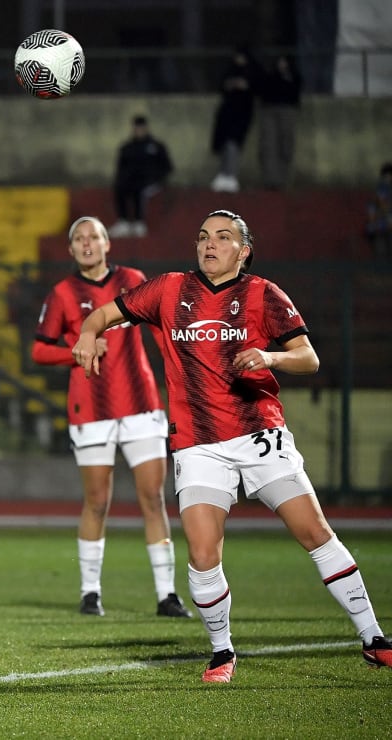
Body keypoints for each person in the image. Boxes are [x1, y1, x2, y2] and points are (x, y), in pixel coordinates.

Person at [71, 209, 392, 682]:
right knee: (203, 553)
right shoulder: (168, 289)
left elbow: (309, 358)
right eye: (203, 236)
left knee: (315, 533)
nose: (209, 244)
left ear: (243, 251)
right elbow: (103, 314)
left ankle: (374, 638)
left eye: (223, 238)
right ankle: (222, 652)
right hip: (199, 445)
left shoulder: (264, 294)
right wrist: (87, 335)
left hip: (259, 434)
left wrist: (270, 355)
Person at [32, 216, 189, 619]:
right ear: (70, 250)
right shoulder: (63, 293)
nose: (87, 244)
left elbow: (160, 327)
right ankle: (90, 593)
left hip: (141, 405)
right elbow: (39, 350)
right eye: (79, 239)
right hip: (91, 409)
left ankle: (167, 595)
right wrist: (78, 349)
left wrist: (178, 368)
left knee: (153, 498)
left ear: (107, 244)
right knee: (97, 501)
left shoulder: (134, 278)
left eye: (94, 237)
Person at [108, 115, 172, 238]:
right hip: (131, 180)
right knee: (120, 187)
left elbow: (167, 167)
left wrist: (157, 177)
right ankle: (123, 222)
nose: (139, 131)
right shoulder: (127, 148)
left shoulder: (156, 146)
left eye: (141, 128)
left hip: (152, 182)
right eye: (136, 128)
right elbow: (120, 168)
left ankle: (139, 222)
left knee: (140, 189)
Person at [209, 47, 258, 193]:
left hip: (241, 115)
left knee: (233, 145)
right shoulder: (229, 72)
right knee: (224, 145)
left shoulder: (251, 72)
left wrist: (245, 86)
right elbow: (222, 86)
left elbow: (256, 88)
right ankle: (223, 175)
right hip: (227, 115)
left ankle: (231, 176)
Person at [257, 55, 302, 191]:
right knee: (269, 145)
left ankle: (282, 179)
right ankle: (271, 180)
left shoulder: (293, 76)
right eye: (280, 61)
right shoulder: (270, 77)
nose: (282, 65)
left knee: (286, 144)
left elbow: (295, 91)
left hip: (287, 110)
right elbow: (264, 91)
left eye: (284, 62)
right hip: (269, 109)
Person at [366, 162, 392, 260]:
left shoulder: (386, 188)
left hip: (383, 226)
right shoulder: (382, 188)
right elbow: (382, 205)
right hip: (380, 226)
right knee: (381, 255)